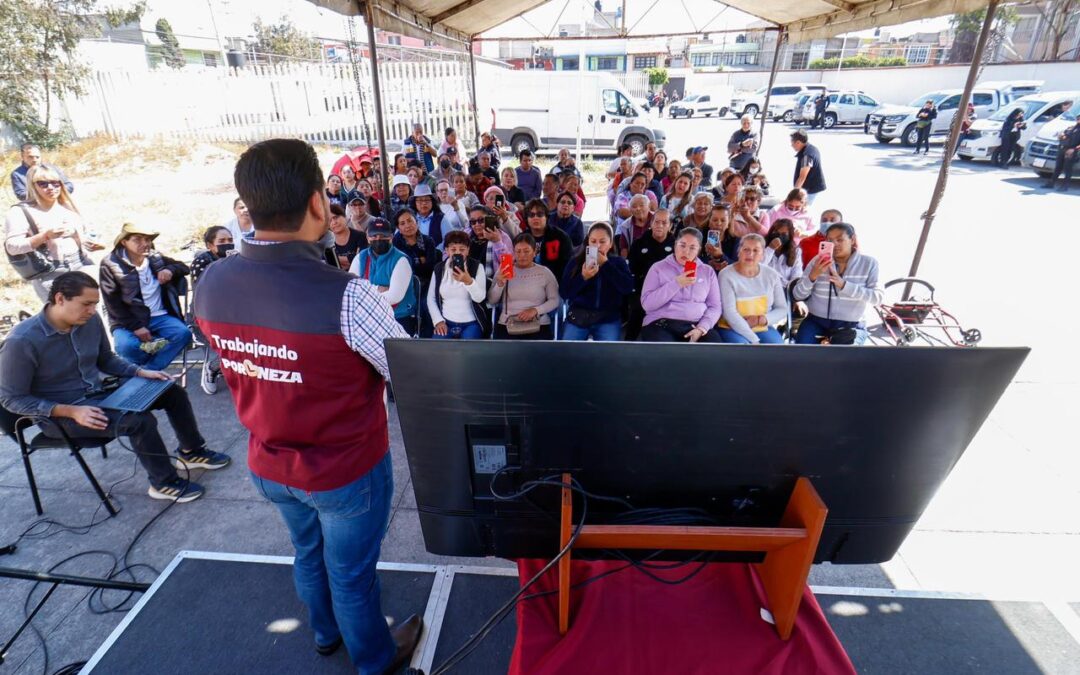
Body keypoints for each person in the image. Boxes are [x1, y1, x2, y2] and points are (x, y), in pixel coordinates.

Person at [193, 139, 421, 673]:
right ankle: (375, 660)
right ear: (319, 203)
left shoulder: (212, 280)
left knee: (308, 553)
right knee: (351, 574)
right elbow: (408, 374)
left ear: (246, 207)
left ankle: (324, 634)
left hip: (268, 464)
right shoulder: (349, 294)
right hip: (344, 471)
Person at [1, 271, 229, 501]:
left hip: (100, 392)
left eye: (95, 304)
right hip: (61, 415)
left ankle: (192, 450)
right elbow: (11, 399)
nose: (92, 311)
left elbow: (106, 359)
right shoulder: (21, 341)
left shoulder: (88, 320)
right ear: (60, 299)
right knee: (138, 421)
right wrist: (69, 411)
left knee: (172, 391)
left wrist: (140, 371)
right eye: (86, 304)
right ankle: (163, 482)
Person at [99, 223, 191, 372]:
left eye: (148, 240)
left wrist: (169, 269)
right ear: (124, 242)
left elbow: (183, 267)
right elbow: (112, 303)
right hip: (127, 320)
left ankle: (148, 371)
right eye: (138, 240)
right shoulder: (110, 264)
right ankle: (142, 369)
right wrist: (136, 326)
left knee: (183, 334)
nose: (145, 244)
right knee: (126, 347)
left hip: (160, 316)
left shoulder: (155, 257)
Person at [4, 165, 100, 302]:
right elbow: (12, 247)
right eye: (43, 184)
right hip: (51, 272)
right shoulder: (20, 212)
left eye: (55, 183)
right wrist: (45, 236)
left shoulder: (68, 205)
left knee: (96, 314)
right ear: (32, 185)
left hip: (82, 264)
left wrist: (88, 241)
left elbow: (89, 231)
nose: (50, 188)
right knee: (66, 320)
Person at [793, 222, 882, 345]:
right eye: (830, 240)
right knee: (802, 354)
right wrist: (812, 276)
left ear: (852, 240)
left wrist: (844, 285)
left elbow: (878, 298)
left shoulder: (869, 263)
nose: (834, 244)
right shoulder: (817, 261)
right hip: (816, 321)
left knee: (844, 358)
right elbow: (798, 295)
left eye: (840, 240)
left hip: (851, 325)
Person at [638, 228, 723, 343]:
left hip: (695, 324)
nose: (686, 251)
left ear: (699, 250)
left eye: (692, 248)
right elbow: (647, 304)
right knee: (668, 353)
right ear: (675, 245)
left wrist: (702, 328)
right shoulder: (658, 268)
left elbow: (715, 306)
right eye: (682, 245)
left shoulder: (707, 271)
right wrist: (676, 283)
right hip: (661, 323)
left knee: (715, 347)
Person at [560, 221, 634, 342]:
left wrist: (606, 265)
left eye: (602, 241)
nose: (597, 246)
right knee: (568, 352)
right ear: (588, 242)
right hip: (578, 316)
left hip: (608, 318)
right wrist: (583, 278)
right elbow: (564, 293)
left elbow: (627, 287)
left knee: (609, 356)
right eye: (593, 241)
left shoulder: (618, 262)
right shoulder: (576, 262)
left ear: (610, 244)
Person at [350, 218, 418, 336]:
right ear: (367, 237)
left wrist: (365, 295)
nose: (378, 239)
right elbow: (351, 289)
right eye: (374, 235)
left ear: (391, 237)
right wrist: (377, 289)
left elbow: (394, 297)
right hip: (368, 317)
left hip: (398, 317)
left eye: (383, 235)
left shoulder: (401, 260)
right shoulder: (361, 257)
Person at [487, 232, 560, 340]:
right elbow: (492, 301)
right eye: (518, 251)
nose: (522, 255)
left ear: (535, 252)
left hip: (538, 323)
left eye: (526, 251)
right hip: (508, 323)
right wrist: (500, 283)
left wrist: (535, 310)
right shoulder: (504, 270)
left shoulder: (544, 272)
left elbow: (554, 300)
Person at [717, 234, 788, 345]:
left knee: (777, 349)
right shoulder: (726, 275)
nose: (750, 254)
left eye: (756, 250)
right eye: (746, 249)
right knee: (744, 350)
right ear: (738, 251)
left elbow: (782, 308)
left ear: (762, 254)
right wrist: (754, 340)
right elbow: (729, 313)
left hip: (761, 326)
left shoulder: (772, 275)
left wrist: (762, 320)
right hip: (731, 327)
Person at [189, 225, 234, 395]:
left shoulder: (236, 259)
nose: (227, 244)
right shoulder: (202, 262)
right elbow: (207, 292)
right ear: (210, 245)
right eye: (221, 241)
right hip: (205, 318)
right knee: (234, 350)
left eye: (230, 240)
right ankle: (213, 367)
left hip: (233, 316)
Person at [429, 230, 490, 340]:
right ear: (447, 251)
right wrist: (438, 321)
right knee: (437, 349)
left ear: (468, 250)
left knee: (466, 351)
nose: (458, 253)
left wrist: (468, 281)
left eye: (462, 249)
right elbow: (431, 298)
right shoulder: (439, 269)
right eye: (453, 249)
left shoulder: (477, 267)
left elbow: (480, 297)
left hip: (471, 323)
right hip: (446, 321)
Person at [627, 209, 674, 341]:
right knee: (636, 312)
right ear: (651, 224)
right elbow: (632, 270)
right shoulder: (639, 243)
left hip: (668, 290)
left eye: (664, 223)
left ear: (670, 226)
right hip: (643, 290)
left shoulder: (677, 244)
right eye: (657, 222)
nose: (659, 225)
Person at [523, 198, 572, 282]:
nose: (535, 218)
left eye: (540, 214)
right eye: (531, 215)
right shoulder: (522, 239)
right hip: (527, 283)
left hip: (555, 283)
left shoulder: (561, 237)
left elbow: (567, 267)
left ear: (546, 216)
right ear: (527, 219)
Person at [10, 143, 74, 202]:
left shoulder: (53, 168)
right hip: (36, 208)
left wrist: (54, 193)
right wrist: (44, 194)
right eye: (30, 157)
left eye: (37, 157)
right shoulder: (17, 174)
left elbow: (69, 186)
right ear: (22, 157)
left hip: (58, 203)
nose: (34, 160)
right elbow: (21, 195)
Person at [392, 208, 437, 289]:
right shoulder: (395, 243)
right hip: (402, 284)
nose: (408, 225)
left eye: (410, 221)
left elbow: (430, 269)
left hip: (426, 283)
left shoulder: (428, 241)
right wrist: (420, 261)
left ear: (417, 222)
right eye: (402, 223)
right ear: (399, 229)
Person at [467, 205, 513, 279]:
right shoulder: (467, 236)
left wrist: (497, 242)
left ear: (490, 219)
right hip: (468, 281)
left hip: (493, 284)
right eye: (473, 222)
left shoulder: (503, 237)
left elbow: (508, 267)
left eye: (481, 220)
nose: (477, 224)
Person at [1042, 117, 1080, 191]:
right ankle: (1051, 183)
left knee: (1067, 169)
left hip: (1071, 150)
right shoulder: (1071, 127)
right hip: (1062, 148)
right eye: (1078, 118)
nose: (1078, 120)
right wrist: (1061, 136)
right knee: (1058, 167)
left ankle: (1065, 186)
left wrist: (1074, 149)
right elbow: (1063, 136)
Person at [762, 219, 803, 286]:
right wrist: (770, 249)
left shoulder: (796, 251)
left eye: (784, 234)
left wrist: (784, 284)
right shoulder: (762, 246)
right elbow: (758, 266)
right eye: (776, 233)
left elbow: (797, 276)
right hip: (766, 287)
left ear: (790, 236)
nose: (779, 236)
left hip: (785, 289)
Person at [790, 130, 826, 206]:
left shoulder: (807, 156)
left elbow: (802, 178)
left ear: (798, 142)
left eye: (792, 143)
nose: (791, 145)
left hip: (810, 189)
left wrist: (793, 194)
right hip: (811, 187)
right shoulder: (812, 148)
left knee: (803, 209)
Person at [329, 203, 367, 268]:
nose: (334, 222)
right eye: (329, 220)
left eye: (336, 217)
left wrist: (334, 258)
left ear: (345, 217)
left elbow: (361, 260)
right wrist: (352, 258)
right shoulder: (326, 241)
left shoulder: (360, 236)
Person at [701, 203, 735, 273]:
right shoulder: (699, 237)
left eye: (723, 220)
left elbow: (738, 265)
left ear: (728, 223)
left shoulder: (735, 240)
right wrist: (707, 263)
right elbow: (690, 259)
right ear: (709, 222)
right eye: (715, 220)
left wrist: (720, 255)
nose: (718, 223)